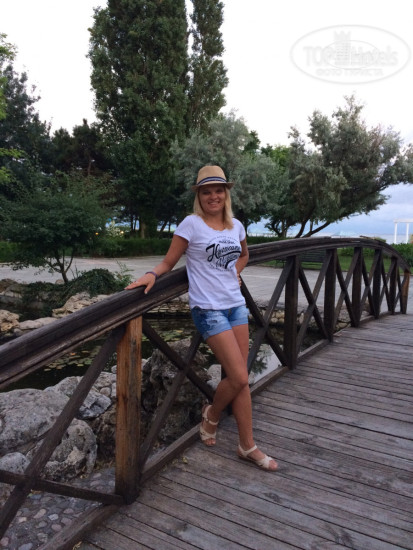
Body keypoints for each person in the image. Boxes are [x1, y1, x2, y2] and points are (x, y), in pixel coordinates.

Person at [126, 165, 278, 471]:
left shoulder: (236, 226)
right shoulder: (191, 225)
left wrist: (235, 272)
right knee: (239, 377)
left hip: (236, 306)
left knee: (241, 379)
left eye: (219, 190)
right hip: (208, 309)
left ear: (226, 194)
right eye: (207, 192)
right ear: (199, 196)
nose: (213, 196)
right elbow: (169, 261)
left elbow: (244, 255)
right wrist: (151, 274)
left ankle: (247, 445)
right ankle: (212, 415)